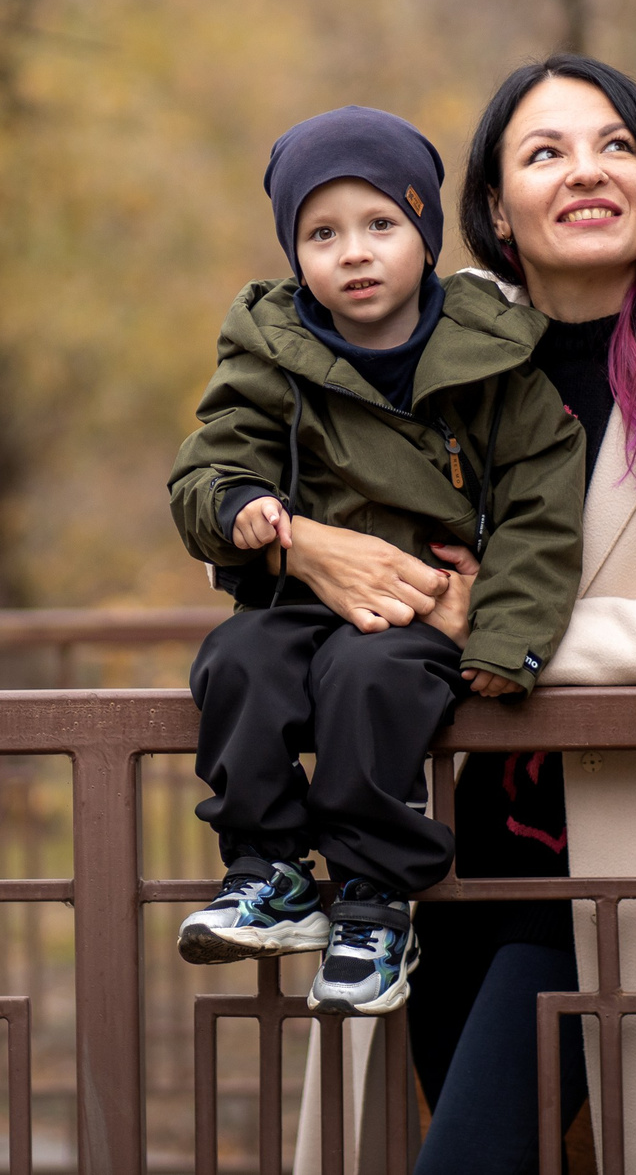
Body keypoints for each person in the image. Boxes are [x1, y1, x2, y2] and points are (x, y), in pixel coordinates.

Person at [280, 58, 636, 1174]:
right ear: (493, 208)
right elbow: (304, 512)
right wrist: (306, 543)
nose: (586, 171)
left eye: (615, 145)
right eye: (544, 153)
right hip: (431, 855)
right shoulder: (442, 357)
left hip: (619, 859)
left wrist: (497, 633)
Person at [167, 105, 587, 1017]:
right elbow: (210, 462)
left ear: (424, 233)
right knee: (233, 659)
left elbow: (539, 510)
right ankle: (268, 868)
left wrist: (506, 639)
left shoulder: (491, 358)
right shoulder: (272, 348)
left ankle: (372, 900)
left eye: (380, 224)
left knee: (368, 680)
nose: (353, 252)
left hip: (414, 608)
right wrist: (241, 507)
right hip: (299, 593)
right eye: (322, 233)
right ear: (294, 251)